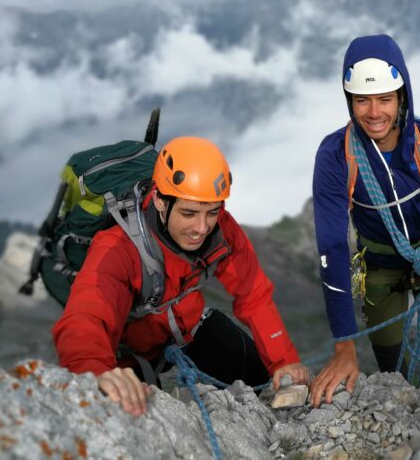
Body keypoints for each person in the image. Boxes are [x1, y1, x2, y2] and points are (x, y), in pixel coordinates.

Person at [53, 136, 309, 416]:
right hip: (130, 355)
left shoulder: (220, 228)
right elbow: (85, 315)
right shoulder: (117, 247)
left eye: (212, 211)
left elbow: (253, 294)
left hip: (184, 330)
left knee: (259, 372)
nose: (201, 227)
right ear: (161, 200)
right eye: (188, 213)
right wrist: (96, 371)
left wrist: (283, 360)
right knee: (138, 416)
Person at [310, 34, 420, 406]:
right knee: (391, 362)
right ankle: (401, 415)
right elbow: (333, 247)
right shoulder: (336, 156)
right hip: (379, 264)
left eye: (384, 98)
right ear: (349, 100)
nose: (373, 112)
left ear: (402, 96)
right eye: (362, 100)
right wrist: (344, 347)